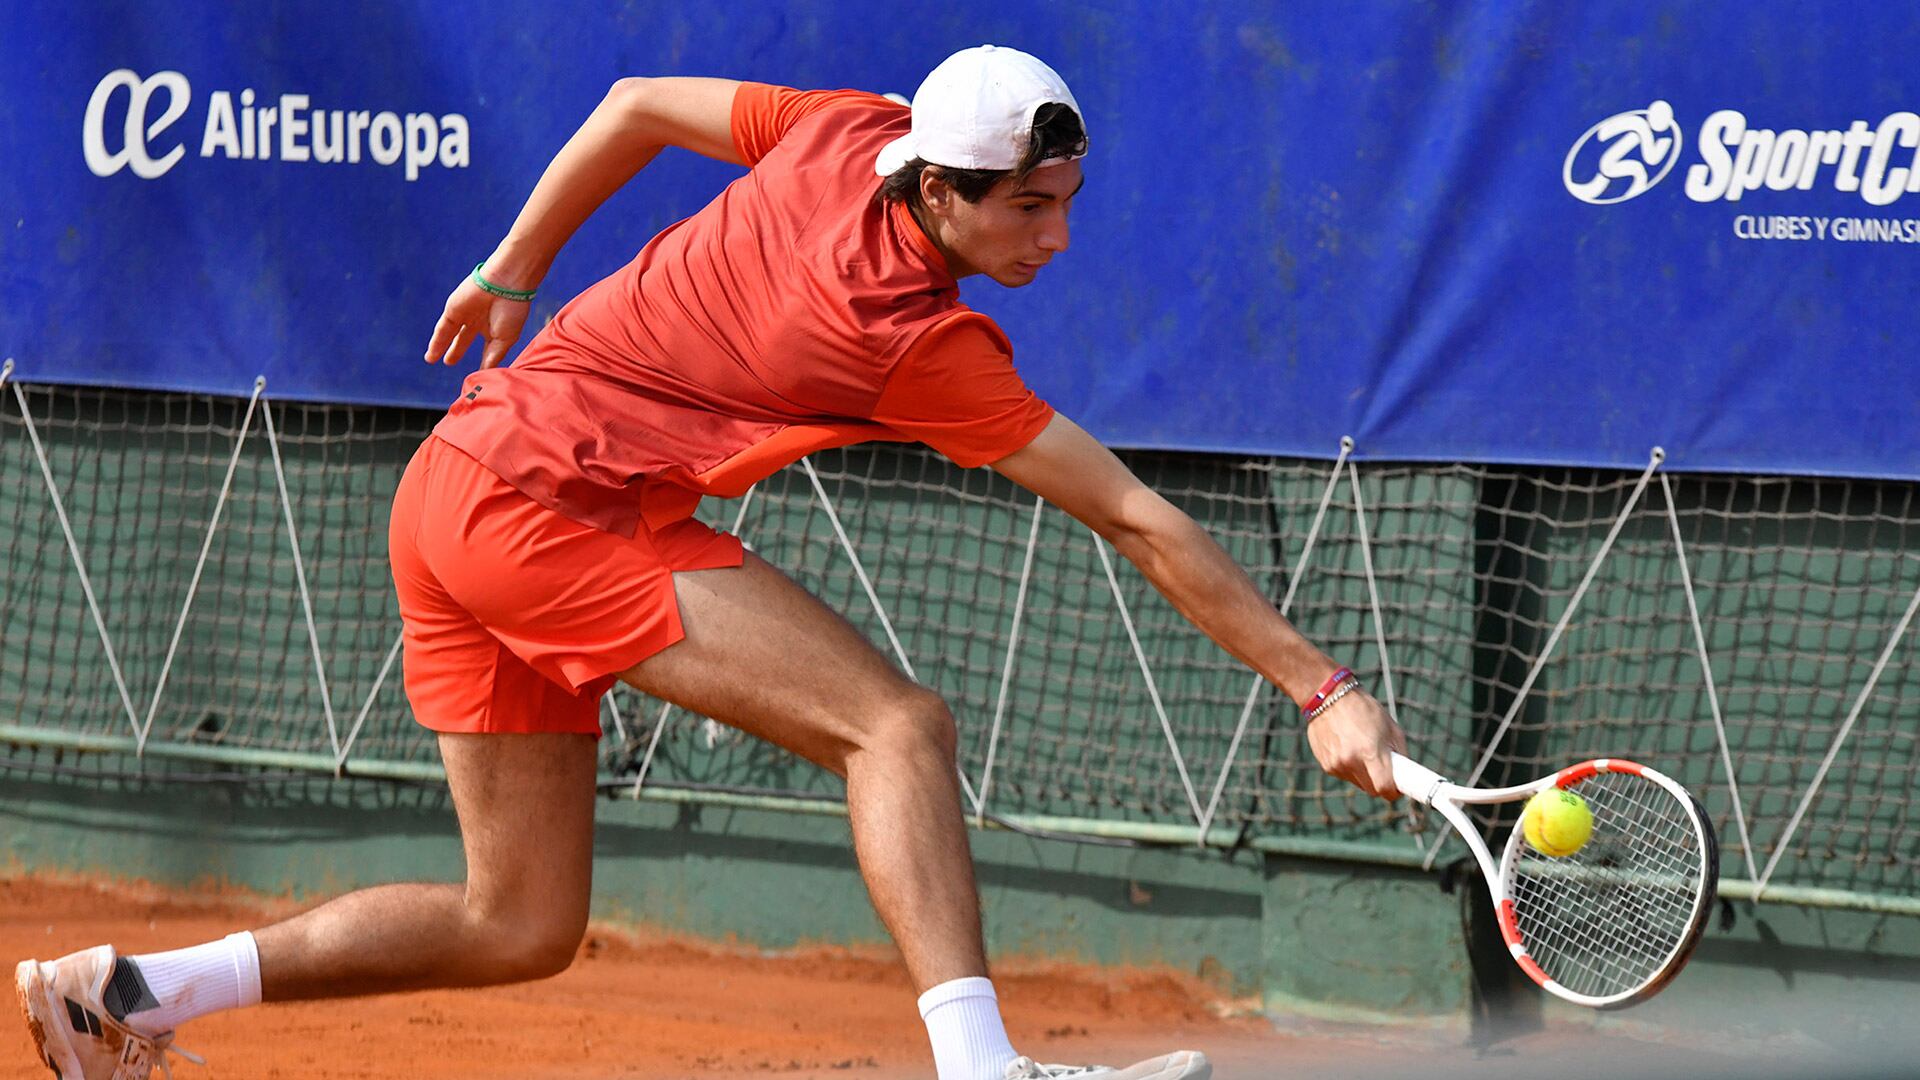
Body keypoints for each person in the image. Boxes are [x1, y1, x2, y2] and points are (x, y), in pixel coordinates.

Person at [15, 45, 1404, 1080]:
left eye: (1068, 201)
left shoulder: (841, 131)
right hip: (549, 508)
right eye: (1031, 209)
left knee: (518, 921)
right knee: (898, 729)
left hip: (449, 492)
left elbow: (628, 105)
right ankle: (985, 1075)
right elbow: (1135, 518)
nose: (1057, 236)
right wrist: (1318, 685)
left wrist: (514, 264)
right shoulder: (916, 342)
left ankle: (127, 991)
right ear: (938, 189)